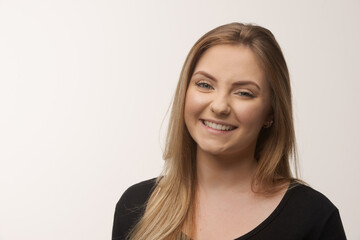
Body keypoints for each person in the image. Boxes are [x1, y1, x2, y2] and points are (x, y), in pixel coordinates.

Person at [112, 23, 347, 240]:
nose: (219, 106)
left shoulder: (314, 218)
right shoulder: (136, 206)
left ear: (271, 112)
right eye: (205, 85)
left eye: (244, 92)